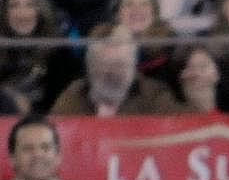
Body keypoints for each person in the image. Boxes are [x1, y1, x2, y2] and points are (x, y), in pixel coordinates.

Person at [49, 26, 184, 115]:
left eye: (120, 64)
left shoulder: (154, 95)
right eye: (104, 64)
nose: (112, 71)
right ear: (91, 67)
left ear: (132, 66)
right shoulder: (74, 96)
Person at [0, 115, 104, 180]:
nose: (38, 154)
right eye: (28, 148)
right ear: (12, 159)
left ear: (58, 156)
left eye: (45, 147)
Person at [0, 0, 82, 113]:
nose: (22, 13)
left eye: (30, 5)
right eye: (14, 6)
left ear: (40, 11)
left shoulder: (59, 54)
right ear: (4, 14)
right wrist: (9, 96)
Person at [173, 41, 222, 112]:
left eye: (203, 66)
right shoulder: (171, 115)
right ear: (180, 77)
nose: (196, 73)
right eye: (188, 67)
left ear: (217, 73)